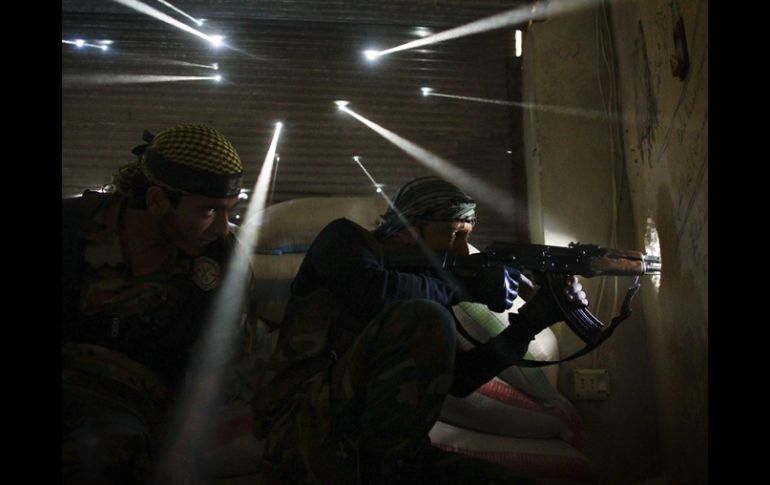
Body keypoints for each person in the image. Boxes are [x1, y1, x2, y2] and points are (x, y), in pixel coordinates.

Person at [252, 176, 589, 484]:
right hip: (308, 429)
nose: (461, 251)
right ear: (408, 228)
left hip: (388, 455)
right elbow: (371, 292)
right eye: (454, 234)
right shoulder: (344, 240)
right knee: (428, 315)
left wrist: (532, 322)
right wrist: (461, 287)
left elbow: (458, 380)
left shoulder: (423, 290)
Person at [62, 124, 259, 484]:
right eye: (208, 211)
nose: (222, 228)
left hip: (129, 401)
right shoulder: (74, 227)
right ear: (156, 200)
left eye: (229, 211)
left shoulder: (219, 264)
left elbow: (214, 368)